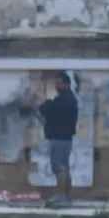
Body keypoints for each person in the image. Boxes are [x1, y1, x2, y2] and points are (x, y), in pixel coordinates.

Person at [35, 73, 79, 206]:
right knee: (64, 168)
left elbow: (46, 109)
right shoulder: (68, 99)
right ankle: (66, 196)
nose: (56, 85)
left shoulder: (64, 100)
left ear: (66, 84)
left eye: (59, 83)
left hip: (59, 139)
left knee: (59, 168)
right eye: (56, 83)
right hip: (65, 139)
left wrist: (43, 102)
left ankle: (61, 196)